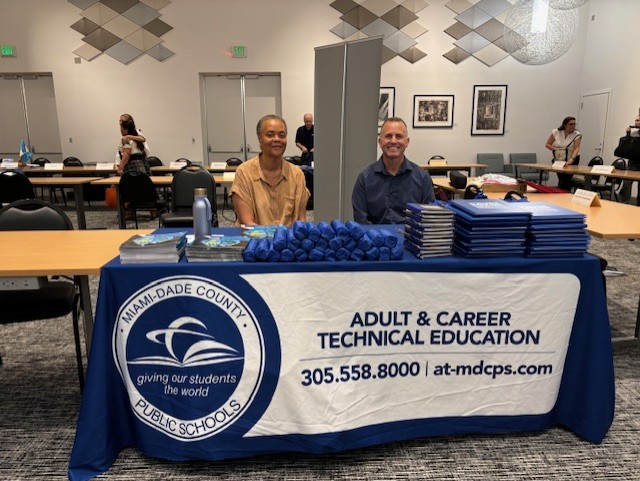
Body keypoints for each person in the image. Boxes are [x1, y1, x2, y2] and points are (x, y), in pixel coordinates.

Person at [230, 114, 310, 227]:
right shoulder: (244, 172)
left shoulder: (297, 175)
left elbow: (301, 220)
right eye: (270, 135)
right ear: (259, 138)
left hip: (288, 243)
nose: (277, 139)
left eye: (282, 135)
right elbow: (248, 223)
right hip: (255, 242)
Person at [352, 117, 435, 224]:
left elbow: (428, 218)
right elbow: (361, 219)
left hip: (411, 238)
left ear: (407, 142)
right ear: (380, 142)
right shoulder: (364, 179)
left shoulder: (422, 179)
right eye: (388, 136)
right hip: (375, 239)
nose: (393, 141)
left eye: (399, 136)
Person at [545, 116, 582, 191]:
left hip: (572, 159)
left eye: (574, 124)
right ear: (565, 125)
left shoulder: (577, 134)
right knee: (561, 178)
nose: (573, 126)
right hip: (558, 159)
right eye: (570, 124)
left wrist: (571, 159)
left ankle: (565, 194)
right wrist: (556, 149)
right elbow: (548, 144)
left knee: (567, 179)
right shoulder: (556, 132)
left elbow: (576, 148)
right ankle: (561, 193)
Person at [614, 114, 640, 204]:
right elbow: (627, 148)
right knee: (626, 183)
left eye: (638, 120)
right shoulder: (634, 134)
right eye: (635, 120)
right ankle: (624, 203)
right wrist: (627, 134)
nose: (636, 122)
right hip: (633, 163)